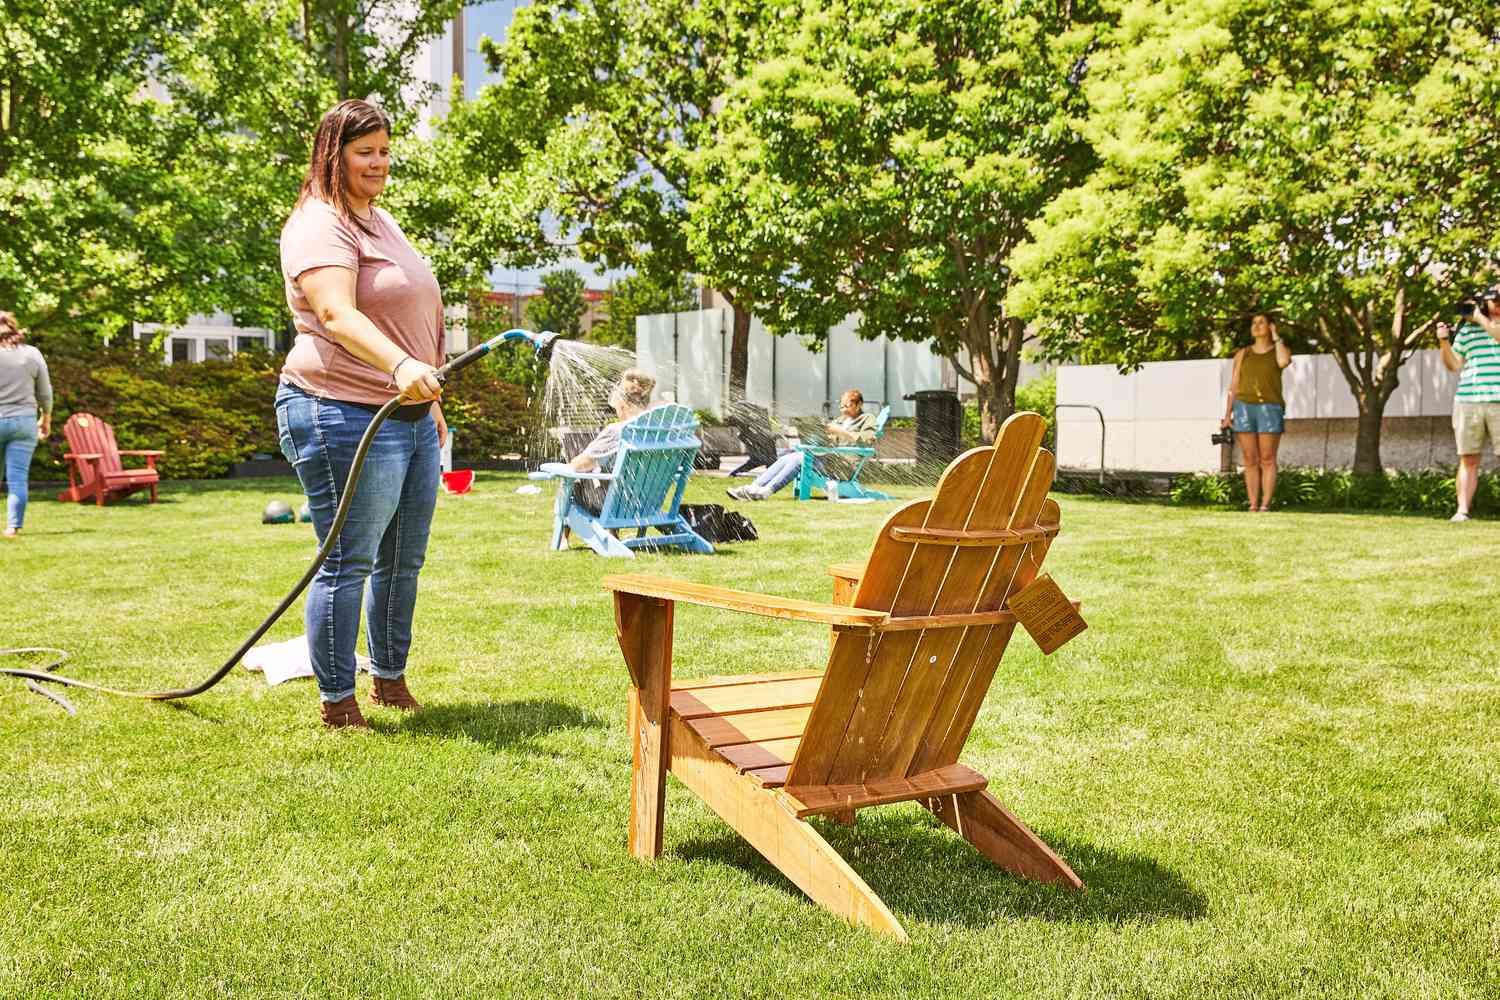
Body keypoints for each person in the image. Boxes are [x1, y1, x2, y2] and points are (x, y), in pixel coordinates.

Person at [275, 99, 448, 729]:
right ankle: (338, 699)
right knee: (350, 559)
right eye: (364, 152)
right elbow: (336, 314)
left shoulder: (379, 219)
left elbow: (412, 311)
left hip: (407, 415)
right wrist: (402, 369)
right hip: (340, 410)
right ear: (333, 154)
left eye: (384, 150)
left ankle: (390, 676)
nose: (378, 163)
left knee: (404, 558)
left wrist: (428, 401)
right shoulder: (320, 224)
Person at [727, 389, 878, 500]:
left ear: (859, 405)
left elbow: (868, 439)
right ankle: (753, 487)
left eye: (847, 406)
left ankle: (766, 491)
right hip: (829, 459)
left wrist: (841, 433)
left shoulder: (867, 419)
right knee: (788, 457)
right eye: (842, 406)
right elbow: (829, 441)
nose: (843, 409)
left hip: (843, 466)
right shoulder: (839, 420)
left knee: (801, 459)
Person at [1437, 293, 1500, 522]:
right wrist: (1444, 341)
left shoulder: (1488, 325)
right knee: (1468, 458)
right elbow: (1453, 365)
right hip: (1468, 400)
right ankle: (1462, 511)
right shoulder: (1468, 331)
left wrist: (1479, 318)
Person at [1220, 315, 1292, 511]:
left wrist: (1276, 337)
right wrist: (1228, 415)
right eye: (1254, 323)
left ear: (1270, 326)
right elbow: (1233, 386)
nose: (1256, 326)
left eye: (1262, 322)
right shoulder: (1242, 354)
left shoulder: (1278, 350)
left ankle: (1265, 505)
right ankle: (1252, 504)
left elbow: (1284, 362)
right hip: (1243, 407)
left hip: (1270, 408)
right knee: (1250, 459)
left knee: (1267, 458)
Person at [568, 369, 656, 513]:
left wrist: (567, 465)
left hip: (614, 506)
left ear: (622, 404)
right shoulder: (656, 432)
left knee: (570, 480)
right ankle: (612, 534)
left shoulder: (618, 430)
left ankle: (563, 535)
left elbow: (578, 466)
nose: (616, 411)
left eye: (616, 407)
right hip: (646, 505)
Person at [0, 311, 52, 538]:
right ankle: (12, 527)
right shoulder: (32, 354)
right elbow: (45, 391)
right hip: (24, 421)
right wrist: (46, 417)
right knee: (18, 477)